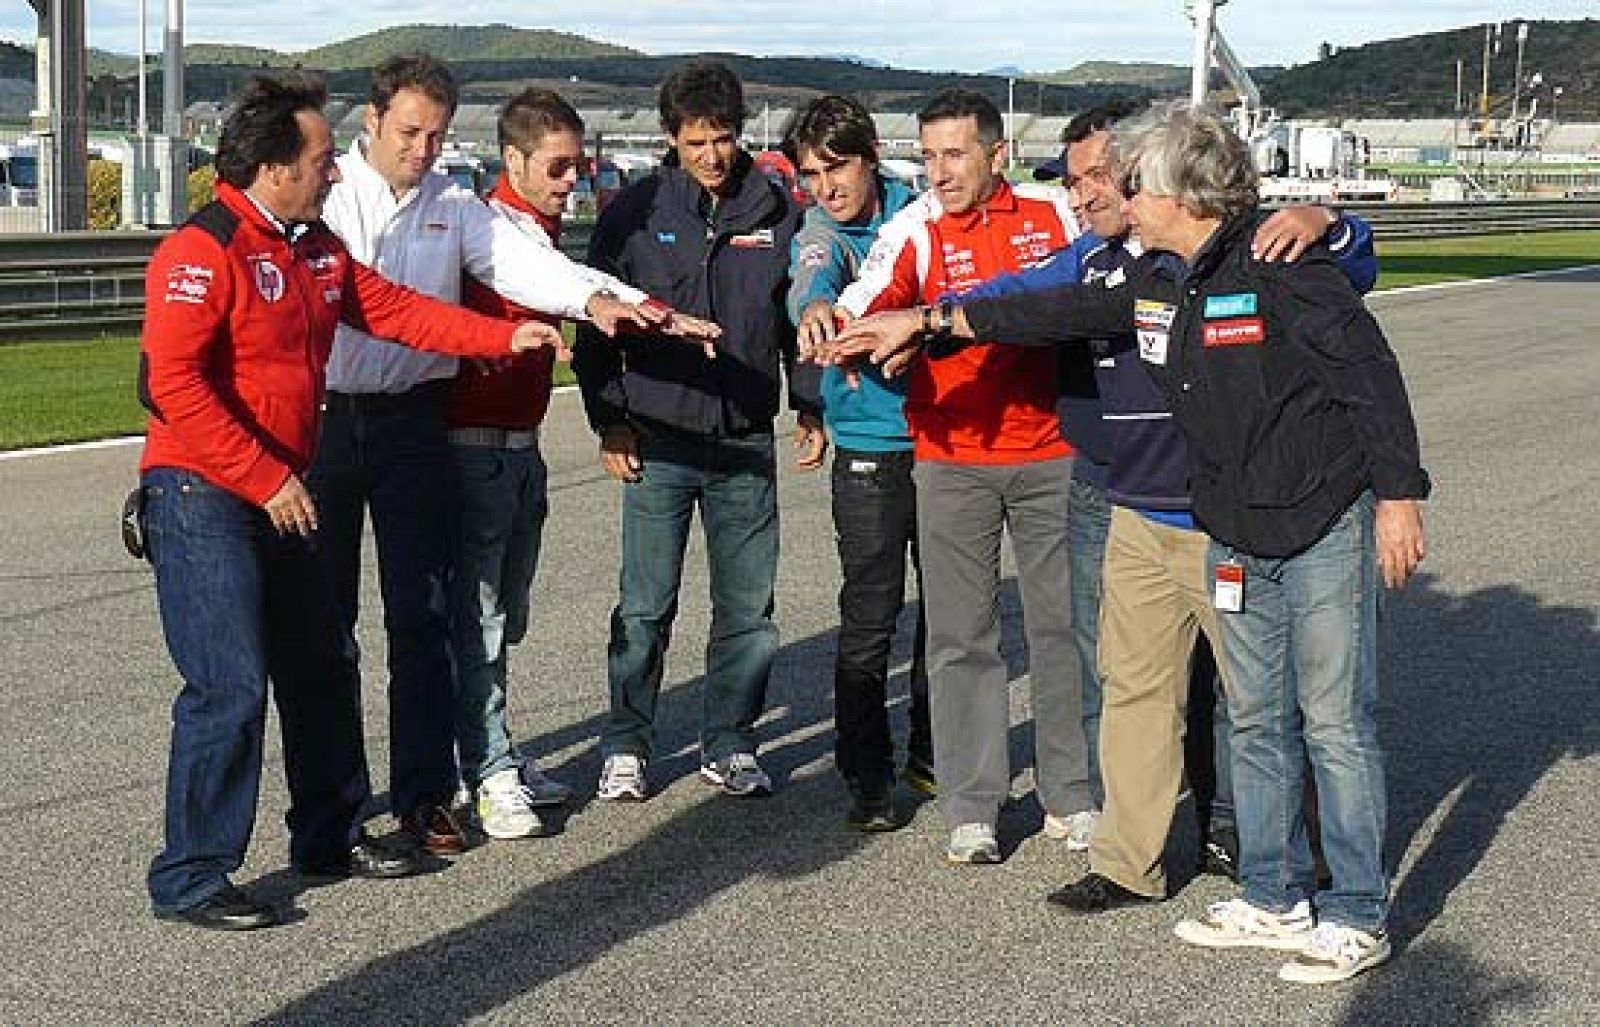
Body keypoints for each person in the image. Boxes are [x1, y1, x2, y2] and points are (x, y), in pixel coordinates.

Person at [828, 102, 1428, 984]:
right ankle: (1271, 895)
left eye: (1132, 181)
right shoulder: (1151, 274)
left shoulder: (1284, 257)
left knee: (1334, 723)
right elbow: (1046, 308)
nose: (1112, 197)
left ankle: (1356, 911)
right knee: (1258, 721)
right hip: (1234, 529)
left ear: (1183, 189)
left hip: (1319, 520)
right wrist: (923, 323)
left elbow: (1371, 377)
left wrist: (1400, 499)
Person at [137, 72, 564, 930]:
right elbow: (173, 385)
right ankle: (191, 872)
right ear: (273, 164)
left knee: (324, 662)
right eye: (324, 159)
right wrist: (265, 478)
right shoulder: (201, 250)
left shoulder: (315, 247)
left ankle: (327, 834)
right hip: (205, 490)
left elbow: (398, 311)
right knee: (227, 685)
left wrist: (501, 334)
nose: (337, 173)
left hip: (282, 489)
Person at [962, 102, 1376, 905]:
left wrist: (1331, 216)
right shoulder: (1102, 266)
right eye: (1076, 181)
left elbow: (1355, 268)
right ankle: (1129, 861)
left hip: (1227, 517)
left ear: (1152, 176)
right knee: (1134, 691)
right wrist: (930, 317)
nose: (1085, 194)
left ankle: (1297, 864)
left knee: (1266, 701)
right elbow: (1023, 299)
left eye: (1101, 178)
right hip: (1135, 511)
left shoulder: (1247, 251)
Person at [313, 54, 679, 856]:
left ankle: (424, 796)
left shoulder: (454, 202)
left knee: (421, 619)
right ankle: (331, 814)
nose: (423, 149)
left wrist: (600, 298)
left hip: (414, 420)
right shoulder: (326, 191)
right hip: (329, 419)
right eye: (409, 131)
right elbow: (368, 306)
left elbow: (524, 263)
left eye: (437, 135)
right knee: (327, 627)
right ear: (372, 121)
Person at [446, 88, 720, 841]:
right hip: (470, 447)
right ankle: (489, 765)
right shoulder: (486, 225)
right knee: (483, 620)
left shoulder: (538, 225)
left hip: (519, 445)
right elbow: (550, 283)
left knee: (510, 616)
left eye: (580, 165)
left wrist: (650, 312)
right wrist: (614, 304)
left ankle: (481, 750)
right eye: (559, 167)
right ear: (512, 160)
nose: (573, 181)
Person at [835, 89, 1093, 864]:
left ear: (996, 153)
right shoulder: (914, 224)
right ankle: (974, 804)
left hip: (1053, 454)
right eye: (928, 156)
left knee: (1063, 631)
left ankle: (1072, 791)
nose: (938, 172)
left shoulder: (1055, 214)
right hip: (951, 459)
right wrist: (842, 328)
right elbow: (869, 296)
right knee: (961, 638)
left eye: (954, 155)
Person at [573, 60, 824, 801]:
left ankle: (732, 741)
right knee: (646, 606)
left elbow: (794, 319)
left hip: (744, 439)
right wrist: (610, 417)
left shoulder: (775, 210)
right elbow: (598, 324)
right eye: (694, 143)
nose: (711, 156)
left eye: (721, 139)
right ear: (669, 139)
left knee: (749, 611)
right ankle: (627, 742)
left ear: (740, 133)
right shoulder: (635, 211)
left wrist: (809, 403)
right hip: (657, 439)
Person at [781, 95, 931, 832]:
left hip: (945, 445)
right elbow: (811, 275)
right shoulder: (817, 231)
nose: (825, 187)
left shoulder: (922, 213)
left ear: (870, 154)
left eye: (836, 168)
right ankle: (865, 772)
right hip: (870, 449)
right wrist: (814, 309)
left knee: (952, 616)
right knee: (870, 616)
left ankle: (934, 751)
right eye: (810, 174)